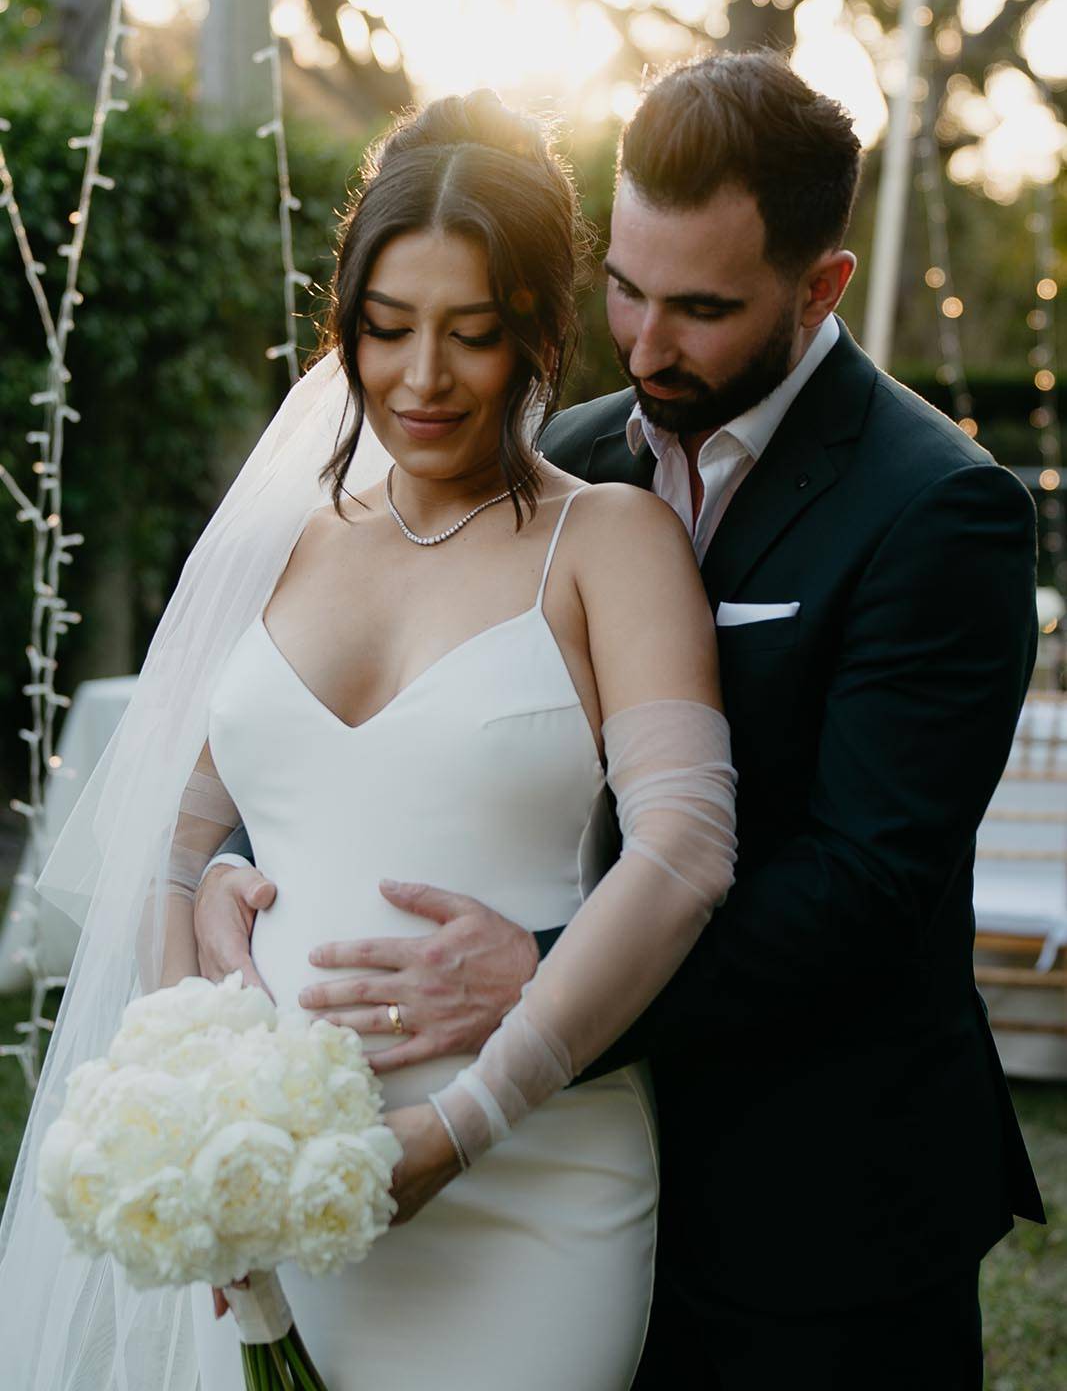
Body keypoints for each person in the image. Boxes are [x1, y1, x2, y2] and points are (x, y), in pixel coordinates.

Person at [201, 51, 1044, 1390]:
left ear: (819, 287)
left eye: (700, 309)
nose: (645, 344)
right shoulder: (578, 458)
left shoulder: (940, 510)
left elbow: (864, 884)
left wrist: (535, 971)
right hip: (569, 1142)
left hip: (814, 1189)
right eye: (626, 290)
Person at [0, 90, 738, 1391]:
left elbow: (685, 851)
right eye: (387, 329)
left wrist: (460, 1126)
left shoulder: (610, 542)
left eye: (470, 333)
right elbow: (168, 843)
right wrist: (198, 1078)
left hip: (531, 1180)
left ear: (536, 334)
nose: (421, 377)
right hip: (268, 1180)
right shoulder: (280, 540)